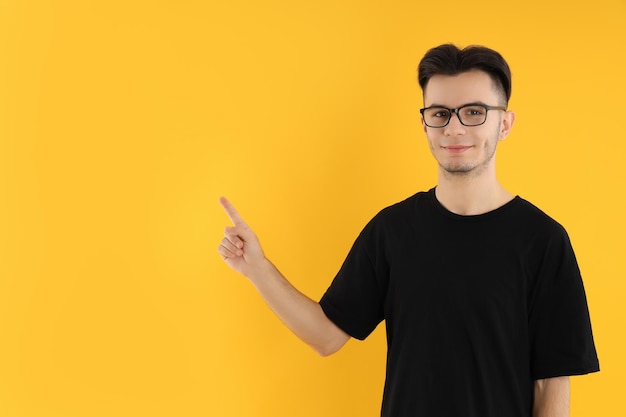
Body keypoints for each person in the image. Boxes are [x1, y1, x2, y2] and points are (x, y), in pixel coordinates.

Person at [217, 43, 600, 417]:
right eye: (440, 113)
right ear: (424, 124)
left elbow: (552, 383)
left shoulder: (543, 241)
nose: (454, 128)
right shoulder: (392, 231)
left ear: (505, 123)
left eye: (474, 112)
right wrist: (257, 268)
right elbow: (326, 336)